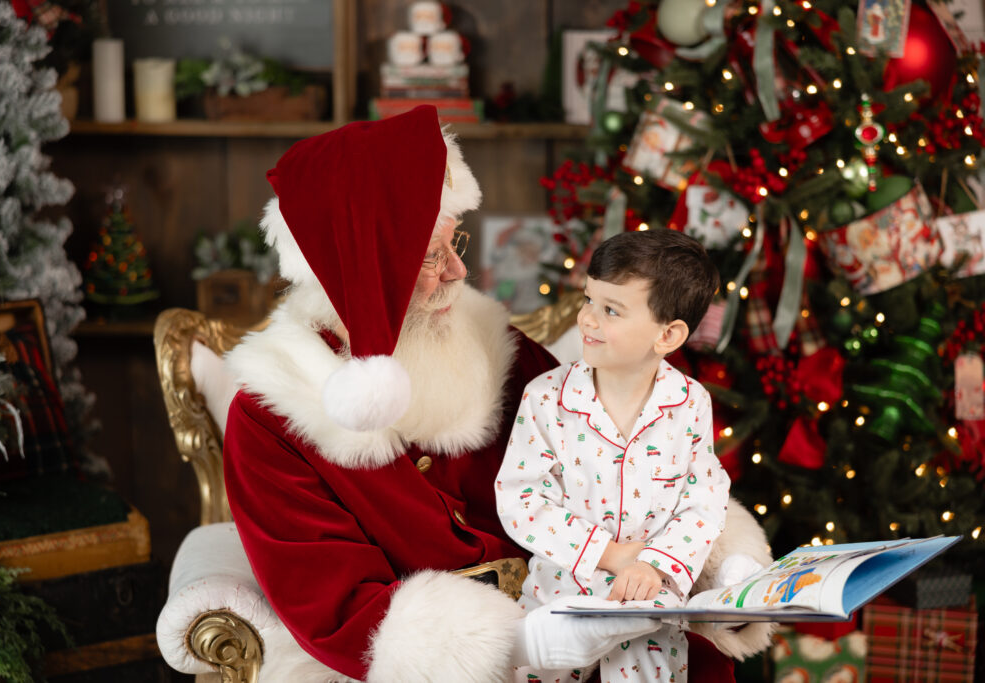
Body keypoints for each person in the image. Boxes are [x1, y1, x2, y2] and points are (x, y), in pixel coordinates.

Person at [221, 105, 772, 681]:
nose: (460, 270)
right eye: (431, 254)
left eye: (453, 241)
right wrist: (526, 646)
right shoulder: (270, 420)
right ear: (361, 269)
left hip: (608, 616)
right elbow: (338, 611)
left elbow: (628, 476)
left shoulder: (497, 348)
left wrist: (713, 572)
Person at [497, 229, 729, 682]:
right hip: (559, 603)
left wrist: (655, 564)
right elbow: (522, 499)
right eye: (588, 300)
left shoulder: (689, 403)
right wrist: (609, 554)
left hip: (647, 609)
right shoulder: (545, 399)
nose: (587, 319)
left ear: (668, 334)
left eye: (610, 310)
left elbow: (704, 499)